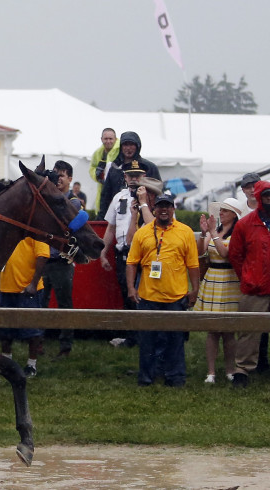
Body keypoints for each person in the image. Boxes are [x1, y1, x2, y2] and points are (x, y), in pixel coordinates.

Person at [126, 193, 200, 387]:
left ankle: (175, 377)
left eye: (167, 206)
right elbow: (132, 262)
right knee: (147, 340)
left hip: (176, 297)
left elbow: (193, 265)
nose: (164, 210)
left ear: (173, 209)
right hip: (147, 296)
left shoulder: (185, 232)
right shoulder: (143, 232)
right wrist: (131, 288)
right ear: (154, 209)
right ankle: (146, 377)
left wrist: (195, 290)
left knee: (175, 340)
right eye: (160, 206)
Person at [99, 161, 151, 338]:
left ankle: (144, 333)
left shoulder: (152, 197)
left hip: (145, 253)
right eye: (131, 175)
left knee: (144, 292)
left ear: (143, 177)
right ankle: (131, 335)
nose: (134, 179)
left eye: (138, 175)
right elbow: (111, 227)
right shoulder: (118, 198)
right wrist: (103, 252)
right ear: (125, 177)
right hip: (123, 251)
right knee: (126, 292)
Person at [195, 198, 242, 384]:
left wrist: (212, 232)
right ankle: (211, 372)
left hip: (229, 279)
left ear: (234, 215)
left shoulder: (237, 232)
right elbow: (201, 252)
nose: (221, 213)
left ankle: (230, 369)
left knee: (229, 330)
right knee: (212, 329)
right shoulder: (218, 230)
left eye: (225, 210)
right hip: (213, 278)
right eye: (221, 210)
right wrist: (203, 233)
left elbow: (225, 253)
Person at [228, 180, 270, 387]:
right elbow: (236, 255)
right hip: (255, 287)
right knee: (248, 331)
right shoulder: (245, 224)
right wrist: (248, 276)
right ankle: (242, 370)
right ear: (260, 198)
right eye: (267, 196)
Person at [40, 160, 82, 358]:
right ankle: (37, 342)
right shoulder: (48, 198)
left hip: (61, 261)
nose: (58, 179)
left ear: (70, 179)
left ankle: (65, 346)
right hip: (44, 259)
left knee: (64, 305)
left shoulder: (73, 202)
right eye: (55, 175)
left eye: (62, 176)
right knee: (40, 303)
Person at [0, 237, 49, 377]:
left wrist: (34, 284)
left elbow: (42, 256)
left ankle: (31, 365)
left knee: (32, 330)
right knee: (4, 329)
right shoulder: (9, 229)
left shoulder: (36, 232)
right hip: (6, 287)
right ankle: (6, 363)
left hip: (28, 288)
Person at [98, 131, 161, 221]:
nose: (128, 148)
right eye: (125, 145)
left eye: (131, 145)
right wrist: (101, 218)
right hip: (119, 216)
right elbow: (106, 196)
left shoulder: (149, 167)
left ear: (137, 146)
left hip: (143, 216)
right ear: (121, 147)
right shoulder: (115, 168)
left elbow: (158, 193)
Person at [89, 128, 120, 213]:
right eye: (106, 139)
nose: (108, 141)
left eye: (110, 139)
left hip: (118, 189)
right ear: (101, 139)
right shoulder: (98, 152)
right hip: (103, 189)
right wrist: (97, 175)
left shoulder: (121, 150)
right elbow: (92, 167)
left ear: (115, 139)